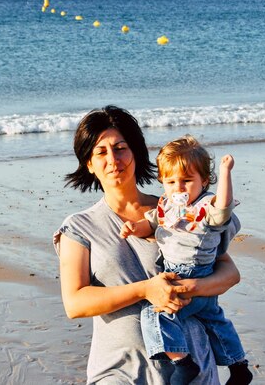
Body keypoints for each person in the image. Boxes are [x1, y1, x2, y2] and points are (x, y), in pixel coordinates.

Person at [54, 106, 242, 384]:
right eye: (101, 152)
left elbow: (229, 274)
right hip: (120, 372)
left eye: (120, 148)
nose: (113, 159)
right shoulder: (79, 227)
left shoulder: (180, 211)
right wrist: (146, 289)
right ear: (89, 164)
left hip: (194, 370)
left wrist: (189, 288)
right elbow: (75, 303)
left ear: (136, 153)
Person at [120, 135, 252, 385]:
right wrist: (133, 228)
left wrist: (225, 172)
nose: (178, 188)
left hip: (193, 274)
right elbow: (151, 222)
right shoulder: (168, 205)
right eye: (171, 181)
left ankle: (182, 363)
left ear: (204, 180)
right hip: (193, 280)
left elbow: (223, 209)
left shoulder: (207, 208)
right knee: (215, 321)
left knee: (156, 313)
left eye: (187, 180)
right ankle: (239, 366)